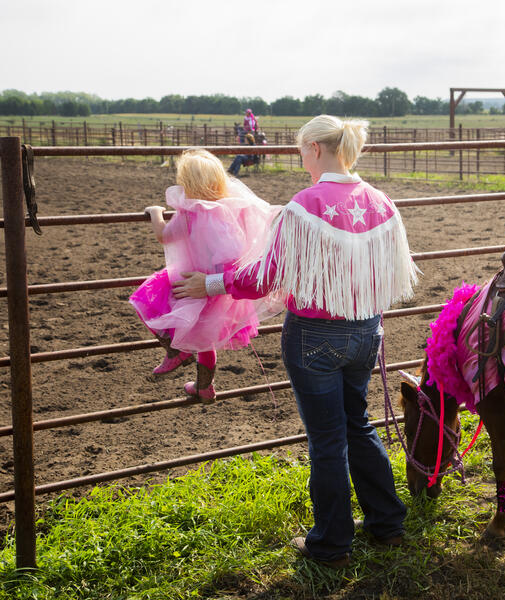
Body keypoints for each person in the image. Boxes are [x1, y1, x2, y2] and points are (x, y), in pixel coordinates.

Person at [172, 115, 420, 568]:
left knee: (327, 440)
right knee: (357, 424)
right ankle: (387, 523)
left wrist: (210, 283)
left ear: (315, 149)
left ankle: (331, 544)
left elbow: (265, 276)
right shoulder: (381, 202)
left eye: (300, 148)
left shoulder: (305, 205)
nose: (299, 155)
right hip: (366, 331)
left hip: (314, 338)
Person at [130, 149, 283, 403]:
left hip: (194, 281)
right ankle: (204, 388)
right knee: (205, 337)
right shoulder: (233, 207)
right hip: (222, 285)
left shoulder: (189, 212)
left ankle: (174, 350)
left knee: (143, 298)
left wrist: (156, 213)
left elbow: (164, 236)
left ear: (187, 183)